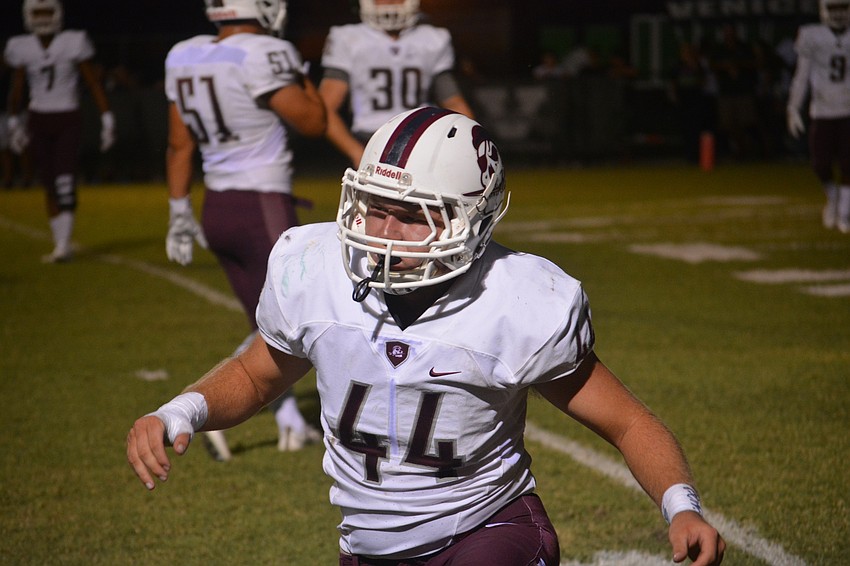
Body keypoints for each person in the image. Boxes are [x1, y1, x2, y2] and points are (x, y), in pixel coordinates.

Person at [127, 107, 726, 565]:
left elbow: (628, 421)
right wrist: (181, 409)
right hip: (367, 546)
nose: (384, 231)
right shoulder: (318, 271)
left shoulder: (514, 302)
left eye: (414, 216)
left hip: (486, 532)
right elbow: (256, 374)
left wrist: (681, 508)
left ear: (475, 220)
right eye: (375, 206)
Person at [162, 0, 326, 459]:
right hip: (262, 204)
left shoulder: (185, 54)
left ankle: (290, 422)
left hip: (217, 206)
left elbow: (179, 144)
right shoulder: (263, 52)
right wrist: (302, 74)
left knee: (266, 318)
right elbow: (313, 119)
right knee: (295, 315)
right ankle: (208, 406)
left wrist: (179, 209)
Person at [3, 0, 114, 262]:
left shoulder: (73, 41)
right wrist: (13, 122)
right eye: (38, 13)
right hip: (38, 118)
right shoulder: (21, 47)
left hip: (67, 115)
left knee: (65, 182)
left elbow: (93, 82)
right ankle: (60, 244)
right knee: (49, 183)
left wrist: (107, 118)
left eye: (47, 12)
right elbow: (17, 87)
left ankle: (64, 244)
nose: (43, 18)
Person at [318, 0, 474, 167]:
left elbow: (454, 102)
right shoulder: (348, 38)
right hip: (370, 139)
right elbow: (325, 108)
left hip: (420, 139)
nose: (389, 2)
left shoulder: (432, 39)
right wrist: (356, 152)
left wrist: (471, 145)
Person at [787, 0, 850, 232]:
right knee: (820, 165)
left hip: (848, 109)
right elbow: (801, 76)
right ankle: (832, 197)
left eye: (843, 7)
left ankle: (844, 213)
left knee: (848, 164)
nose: (840, 13)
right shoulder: (812, 36)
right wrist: (793, 107)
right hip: (822, 110)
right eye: (835, 8)